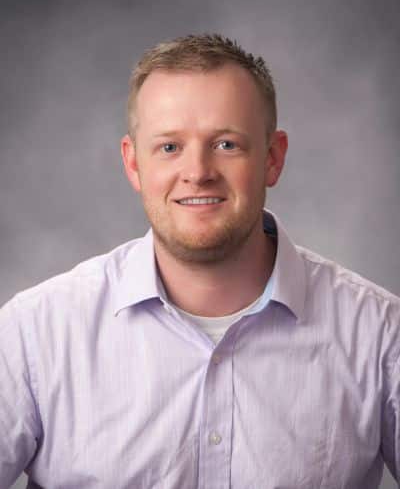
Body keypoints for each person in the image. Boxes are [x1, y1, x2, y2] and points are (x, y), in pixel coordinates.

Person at [0, 34, 399, 489]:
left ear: (273, 158)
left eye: (227, 144)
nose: (198, 171)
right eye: (169, 147)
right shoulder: (34, 335)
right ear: (133, 164)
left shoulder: (380, 336)